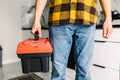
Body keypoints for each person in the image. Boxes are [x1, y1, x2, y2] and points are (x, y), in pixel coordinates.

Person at [31, 0, 113, 80]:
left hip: (87, 18)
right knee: (58, 70)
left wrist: (108, 19)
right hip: (59, 16)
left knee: (84, 70)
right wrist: (36, 20)